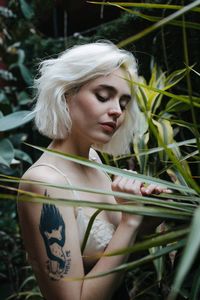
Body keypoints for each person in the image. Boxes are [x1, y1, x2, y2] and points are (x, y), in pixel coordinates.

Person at [18, 41, 168, 300]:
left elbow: (108, 250)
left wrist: (142, 217)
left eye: (123, 102)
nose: (116, 112)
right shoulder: (45, 183)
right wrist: (130, 223)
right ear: (66, 93)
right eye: (103, 96)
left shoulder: (93, 159)